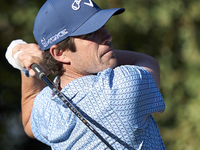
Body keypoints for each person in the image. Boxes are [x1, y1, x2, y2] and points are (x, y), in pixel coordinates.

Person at [6, 0, 166, 149]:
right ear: (60, 53)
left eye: (103, 26)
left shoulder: (47, 106)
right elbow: (147, 62)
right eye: (90, 33)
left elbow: (28, 123)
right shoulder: (122, 87)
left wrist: (28, 67)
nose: (108, 37)